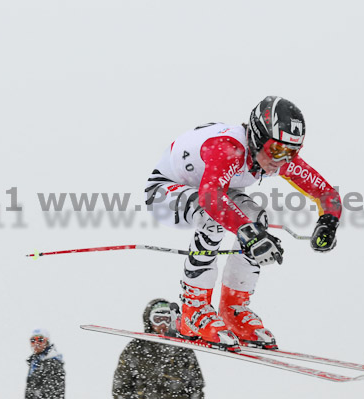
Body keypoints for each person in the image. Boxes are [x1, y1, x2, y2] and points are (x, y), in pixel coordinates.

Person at [144, 96, 341, 350]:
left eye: (292, 153)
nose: (282, 162)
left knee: (257, 219)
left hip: (208, 189)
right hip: (164, 192)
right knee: (213, 217)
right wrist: (250, 235)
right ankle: (193, 310)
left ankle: (233, 309)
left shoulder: (274, 156)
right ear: (258, 138)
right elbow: (210, 197)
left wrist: (328, 221)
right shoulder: (228, 147)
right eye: (278, 151)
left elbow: (327, 194)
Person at [112, 299, 205, 399]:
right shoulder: (136, 348)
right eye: (158, 319)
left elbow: (196, 387)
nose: (163, 324)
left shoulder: (183, 349)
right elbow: (120, 388)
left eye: (167, 320)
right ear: (149, 320)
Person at [25, 328, 65, 399]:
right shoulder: (35, 362)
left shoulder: (52, 363)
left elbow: (53, 393)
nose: (36, 343)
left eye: (40, 340)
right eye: (33, 340)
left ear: (47, 342)